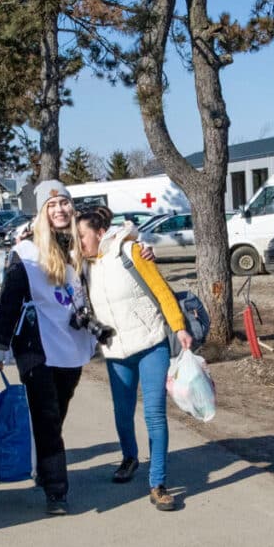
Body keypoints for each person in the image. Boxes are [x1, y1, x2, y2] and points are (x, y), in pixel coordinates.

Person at [0, 180, 98, 515]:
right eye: (52, 205)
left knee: (56, 413)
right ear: (41, 212)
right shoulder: (25, 252)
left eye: (64, 203)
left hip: (72, 344)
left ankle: (45, 465)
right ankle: (56, 491)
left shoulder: (82, 247)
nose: (60, 210)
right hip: (36, 346)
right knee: (47, 416)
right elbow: (9, 302)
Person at [76, 209, 192, 511]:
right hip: (116, 351)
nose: (79, 242)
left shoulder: (131, 251)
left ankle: (158, 483)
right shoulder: (84, 266)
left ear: (100, 233)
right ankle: (129, 458)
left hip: (151, 343)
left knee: (154, 413)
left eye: (82, 236)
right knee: (122, 412)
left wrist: (178, 328)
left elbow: (162, 290)